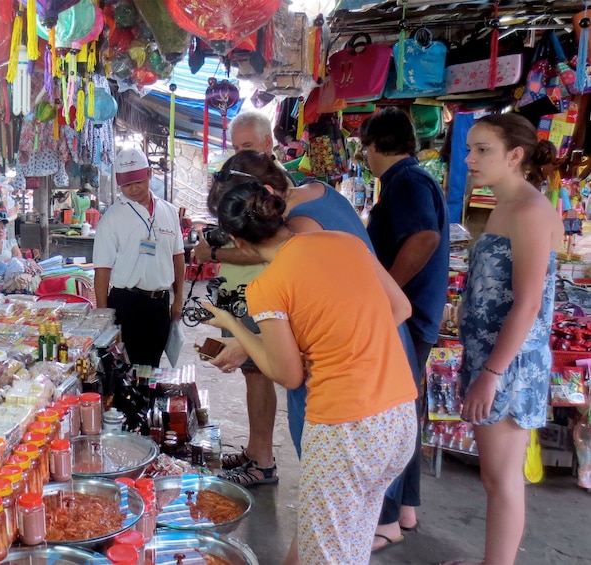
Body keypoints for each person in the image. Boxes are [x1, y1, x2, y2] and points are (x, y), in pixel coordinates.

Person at [202, 183, 417, 565]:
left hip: (345, 431)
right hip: (398, 418)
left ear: (238, 241)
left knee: (330, 554)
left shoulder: (268, 286)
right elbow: (399, 308)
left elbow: (287, 375)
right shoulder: (344, 242)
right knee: (345, 542)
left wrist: (236, 327)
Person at [440, 115, 561, 565]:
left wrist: (491, 374)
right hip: (492, 357)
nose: (469, 159)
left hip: (508, 363)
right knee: (496, 476)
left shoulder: (529, 211)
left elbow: (528, 305)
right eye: (470, 149)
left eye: (482, 150)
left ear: (515, 155)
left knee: (502, 477)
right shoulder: (504, 206)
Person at [361, 107, 450, 546]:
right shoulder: (410, 180)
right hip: (416, 314)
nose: (364, 156)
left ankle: (386, 520)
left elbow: (425, 238)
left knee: (386, 416)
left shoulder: (408, 181)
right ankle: (407, 509)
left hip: (407, 316)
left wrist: (387, 291)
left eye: (365, 147)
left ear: (378, 146)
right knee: (404, 412)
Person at [191, 111, 294, 486]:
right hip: (241, 291)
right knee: (251, 375)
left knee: (259, 374)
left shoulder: (271, 188)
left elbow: (260, 250)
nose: (237, 157)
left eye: (246, 147)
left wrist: (213, 255)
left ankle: (263, 461)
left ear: (268, 145)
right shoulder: (246, 182)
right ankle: (255, 450)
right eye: (234, 149)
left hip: (260, 292)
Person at [93, 147, 185, 367]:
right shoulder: (111, 218)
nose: (133, 189)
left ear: (149, 174)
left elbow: (178, 257)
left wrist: (178, 298)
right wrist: (104, 316)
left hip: (160, 304)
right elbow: (102, 271)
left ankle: (149, 401)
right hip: (127, 303)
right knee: (127, 369)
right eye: (127, 185)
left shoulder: (169, 211)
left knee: (152, 366)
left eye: (138, 182)